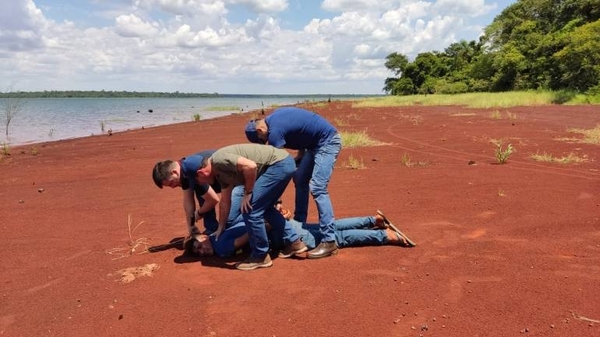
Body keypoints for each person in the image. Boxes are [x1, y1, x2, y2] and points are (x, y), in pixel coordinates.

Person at [244, 106, 342, 259]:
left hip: (327, 142)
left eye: (263, 141)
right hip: (314, 145)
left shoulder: (275, 132)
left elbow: (278, 166)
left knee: (318, 187)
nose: (266, 142)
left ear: (260, 131)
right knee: (300, 178)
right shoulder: (275, 117)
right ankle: (300, 221)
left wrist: (274, 199)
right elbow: (301, 129)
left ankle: (329, 241)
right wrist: (300, 156)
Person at [194, 143, 307, 271]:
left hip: (278, 165)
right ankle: (295, 242)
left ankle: (260, 256)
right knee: (263, 208)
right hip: (283, 163)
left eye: (198, 180)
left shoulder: (218, 161)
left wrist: (248, 193)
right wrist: (221, 227)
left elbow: (251, 166)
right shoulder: (220, 173)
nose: (200, 184)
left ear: (201, 172)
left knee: (251, 210)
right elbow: (225, 201)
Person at [186, 205, 416, 258]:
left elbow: (249, 235)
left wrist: (269, 223)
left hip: (283, 233)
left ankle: (383, 235)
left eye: (199, 245)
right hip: (285, 225)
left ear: (204, 237)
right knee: (329, 227)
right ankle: (372, 220)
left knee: (338, 238)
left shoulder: (221, 246)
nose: (202, 249)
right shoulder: (219, 230)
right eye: (198, 252)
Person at [152, 150, 237, 236]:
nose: (173, 187)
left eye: (171, 183)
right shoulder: (182, 172)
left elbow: (213, 199)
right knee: (201, 193)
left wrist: (199, 213)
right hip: (224, 184)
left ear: (174, 172)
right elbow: (188, 200)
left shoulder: (191, 170)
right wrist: (191, 226)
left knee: (229, 221)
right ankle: (211, 229)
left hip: (238, 181)